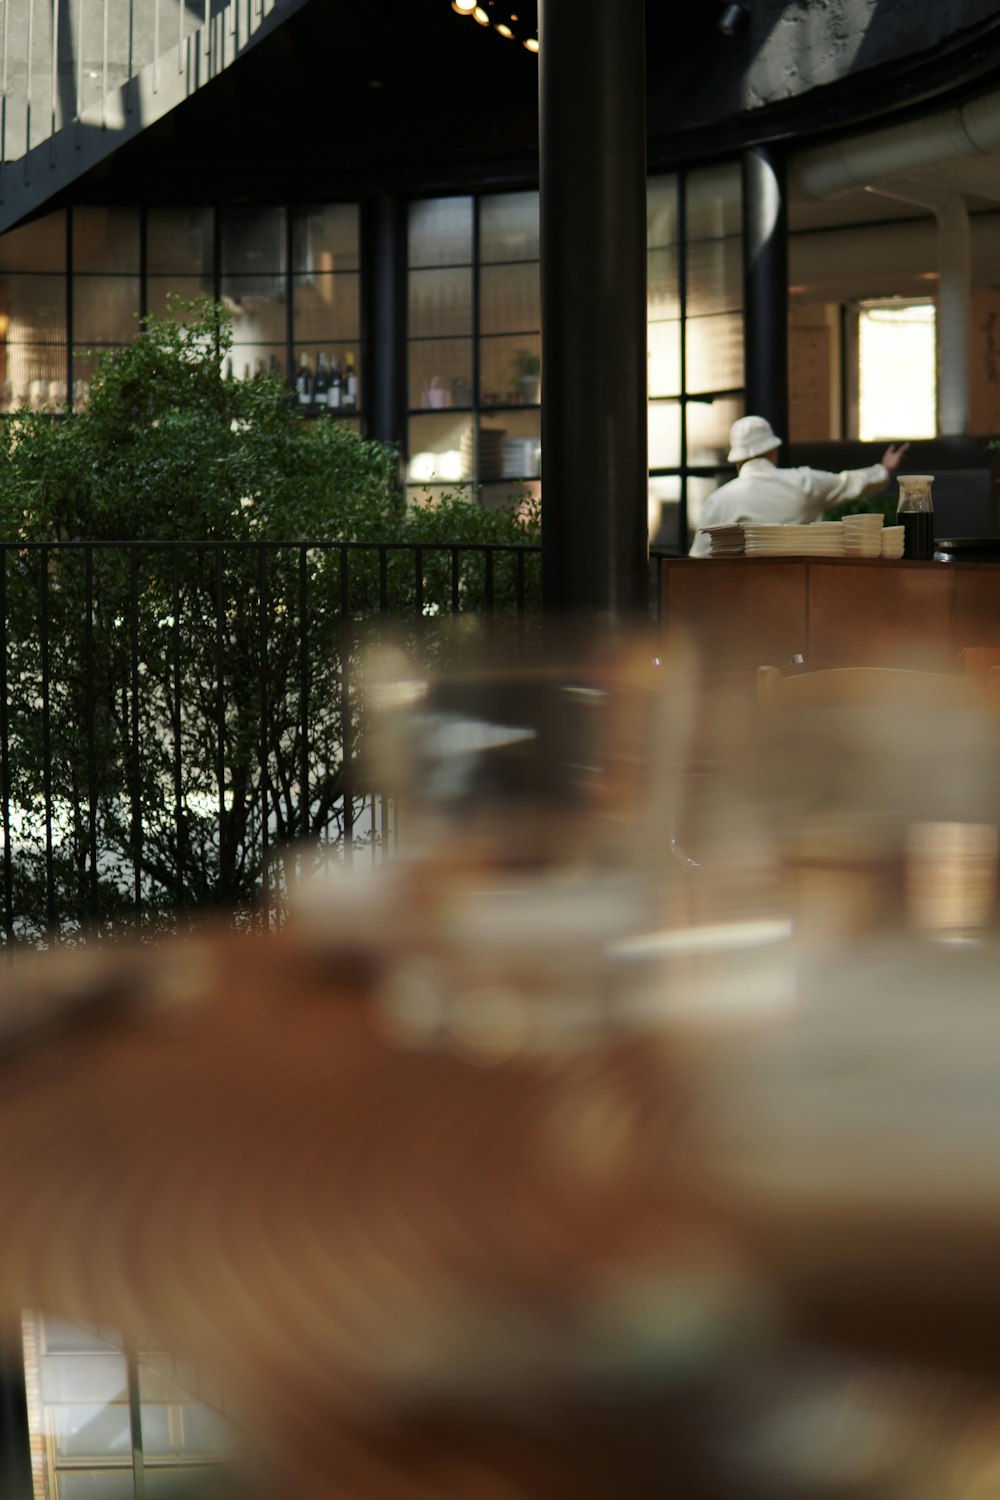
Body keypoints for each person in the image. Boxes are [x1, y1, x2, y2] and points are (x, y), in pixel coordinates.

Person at [689, 414, 911, 556]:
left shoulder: (718, 500)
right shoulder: (805, 481)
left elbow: (698, 559)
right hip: (805, 589)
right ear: (773, 451)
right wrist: (884, 468)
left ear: (736, 459)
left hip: (743, 599)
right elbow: (850, 482)